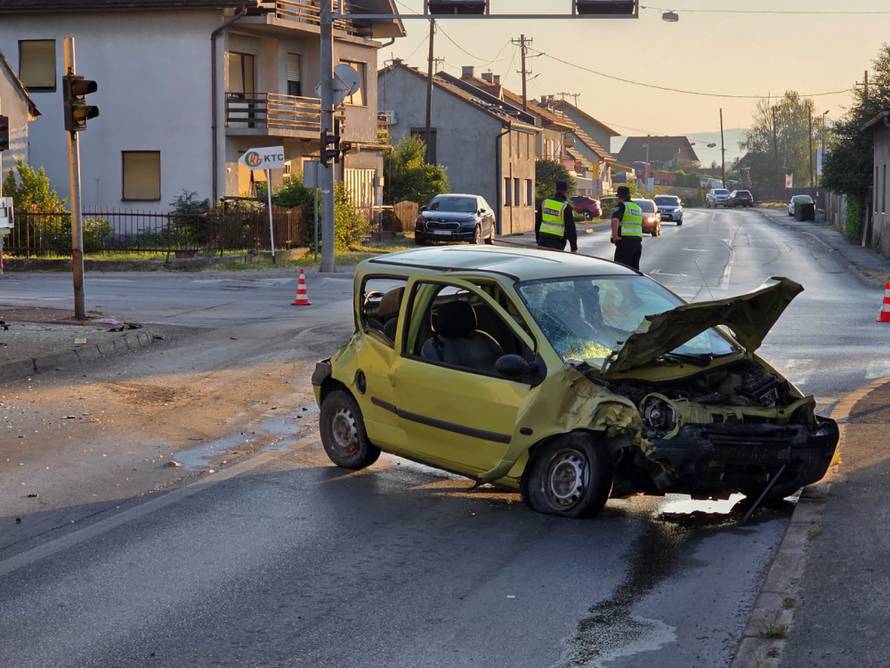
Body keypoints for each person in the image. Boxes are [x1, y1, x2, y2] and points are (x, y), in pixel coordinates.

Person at [535, 181, 578, 253]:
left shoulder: (545, 203)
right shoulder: (565, 207)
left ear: (556, 190)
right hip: (557, 243)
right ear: (566, 191)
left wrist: (538, 239)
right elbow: (571, 229)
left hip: (543, 241)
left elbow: (538, 223)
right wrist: (574, 248)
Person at [610, 186, 643, 270]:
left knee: (621, 269)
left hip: (625, 243)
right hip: (637, 243)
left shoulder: (622, 205)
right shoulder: (637, 207)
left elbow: (615, 220)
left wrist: (615, 237)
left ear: (619, 197)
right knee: (634, 270)